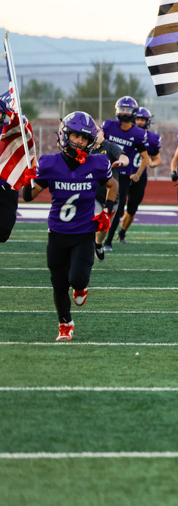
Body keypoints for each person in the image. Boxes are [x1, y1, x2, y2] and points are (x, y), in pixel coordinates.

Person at [21, 112, 118, 341]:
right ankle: (65, 323)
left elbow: (112, 185)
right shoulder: (49, 163)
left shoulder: (97, 163)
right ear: (66, 135)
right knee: (58, 283)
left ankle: (81, 287)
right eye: (75, 136)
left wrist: (107, 211)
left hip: (84, 233)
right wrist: (26, 183)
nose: (80, 142)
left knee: (78, 279)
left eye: (84, 138)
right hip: (57, 233)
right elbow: (29, 196)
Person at [100, 96, 150, 252]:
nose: (125, 112)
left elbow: (145, 158)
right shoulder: (108, 126)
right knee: (97, 201)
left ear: (134, 112)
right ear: (117, 110)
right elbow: (98, 143)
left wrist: (138, 174)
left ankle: (108, 241)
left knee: (118, 207)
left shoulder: (138, 133)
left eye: (128, 109)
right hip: (104, 171)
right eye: (122, 109)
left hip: (122, 175)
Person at [115, 107, 161, 243]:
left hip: (139, 177)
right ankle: (108, 232)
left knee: (132, 208)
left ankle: (122, 232)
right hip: (123, 174)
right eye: (138, 119)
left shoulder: (152, 139)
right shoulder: (128, 133)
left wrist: (152, 164)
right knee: (117, 206)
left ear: (148, 121)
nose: (140, 122)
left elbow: (157, 158)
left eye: (143, 120)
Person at [0, 94, 36, 243]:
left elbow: (24, 147)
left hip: (7, 187)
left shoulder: (10, 131)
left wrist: (21, 125)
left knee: (3, 231)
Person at [90, 128, 129, 259]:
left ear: (102, 133)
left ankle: (98, 243)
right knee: (94, 218)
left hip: (111, 196)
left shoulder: (110, 146)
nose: (95, 134)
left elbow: (124, 156)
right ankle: (85, 247)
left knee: (103, 227)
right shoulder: (86, 148)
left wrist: (122, 162)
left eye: (97, 131)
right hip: (93, 194)